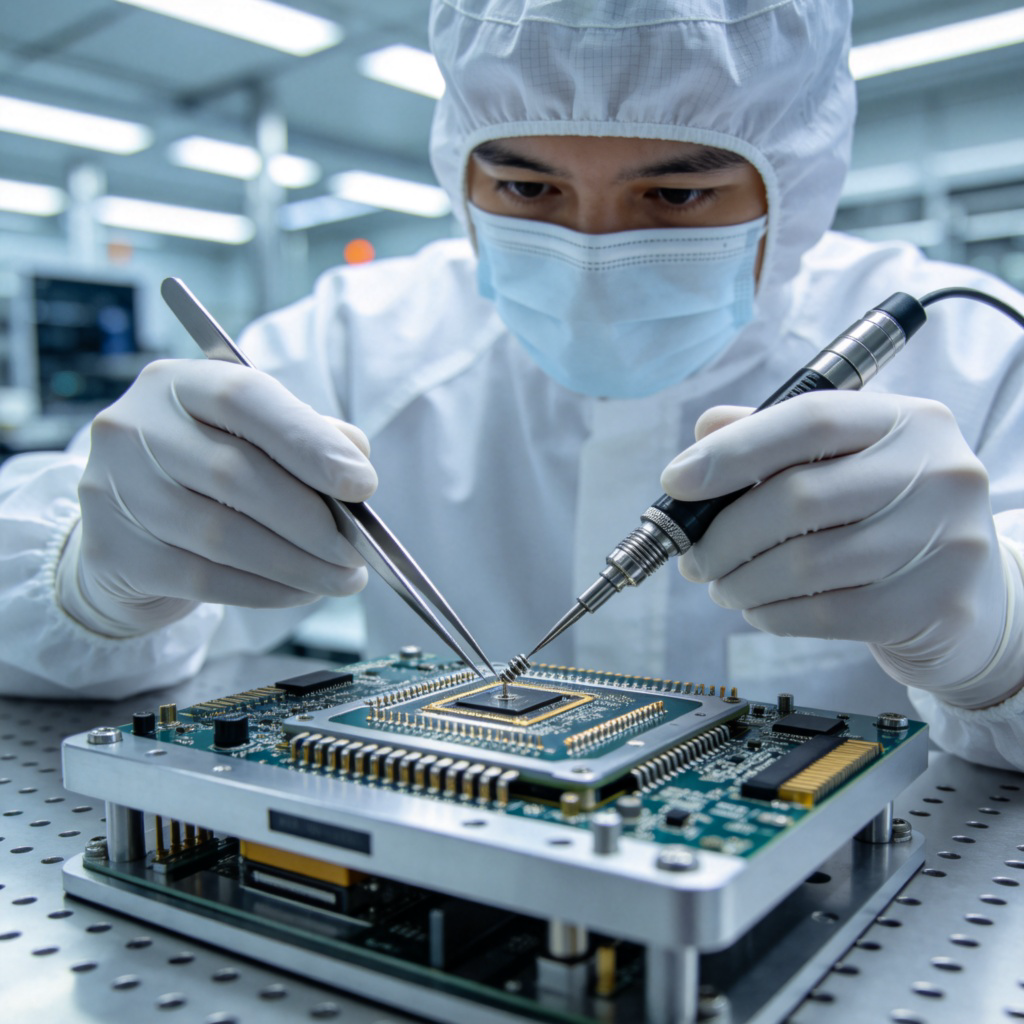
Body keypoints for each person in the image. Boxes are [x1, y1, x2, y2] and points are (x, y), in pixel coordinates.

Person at [1, 0, 1022, 771]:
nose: (591, 249)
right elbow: (35, 626)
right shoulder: (358, 337)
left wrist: (993, 640)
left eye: (675, 192)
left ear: (795, 173)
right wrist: (94, 582)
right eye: (527, 187)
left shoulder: (964, 351)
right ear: (460, 166)